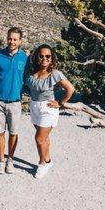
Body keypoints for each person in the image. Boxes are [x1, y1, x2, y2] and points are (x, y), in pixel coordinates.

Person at [25, 44, 75, 179]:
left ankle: (41, 164)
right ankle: (48, 161)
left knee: (39, 138)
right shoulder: (32, 73)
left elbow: (70, 89)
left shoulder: (55, 74)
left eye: (48, 56)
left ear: (52, 58)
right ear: (37, 57)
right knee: (44, 138)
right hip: (34, 107)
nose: (45, 59)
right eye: (41, 56)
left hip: (48, 109)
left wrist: (60, 102)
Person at [0, 27, 29, 175]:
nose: (12, 41)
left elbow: (29, 77)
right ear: (7, 38)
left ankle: (10, 160)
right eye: (10, 38)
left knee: (13, 133)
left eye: (15, 39)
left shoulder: (24, 58)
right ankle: (1, 161)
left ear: (20, 41)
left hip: (15, 101)